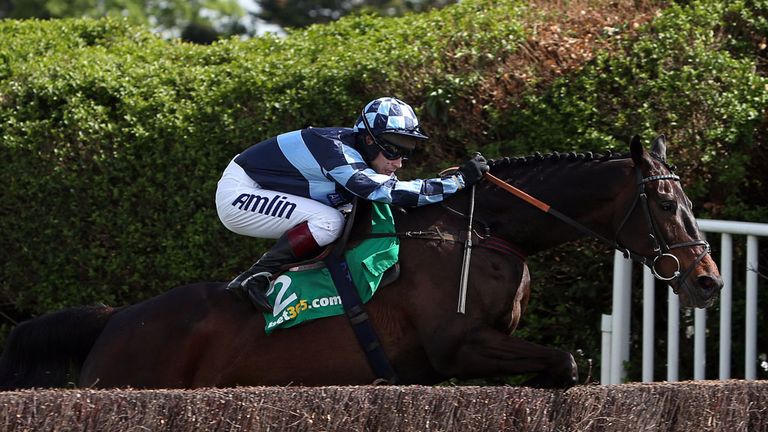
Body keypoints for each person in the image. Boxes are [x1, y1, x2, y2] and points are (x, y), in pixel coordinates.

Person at [215, 97, 489, 311]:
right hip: (240, 193)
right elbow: (387, 192)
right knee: (329, 221)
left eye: (407, 150)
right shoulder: (336, 151)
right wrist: (459, 181)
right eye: (393, 148)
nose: (399, 161)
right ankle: (255, 276)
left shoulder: (356, 149)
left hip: (265, 184)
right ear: (368, 140)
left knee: (345, 218)